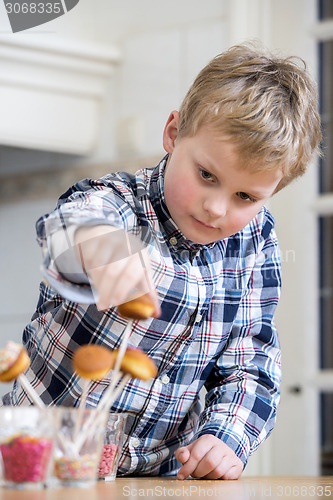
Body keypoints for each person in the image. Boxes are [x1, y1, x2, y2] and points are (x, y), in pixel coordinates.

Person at [3, 43, 321, 480]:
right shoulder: (116, 203)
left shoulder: (256, 243)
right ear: (173, 133)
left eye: (245, 197)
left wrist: (227, 437)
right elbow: (71, 226)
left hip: (159, 479)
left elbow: (251, 358)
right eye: (206, 175)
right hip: (42, 463)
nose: (216, 208)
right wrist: (101, 250)